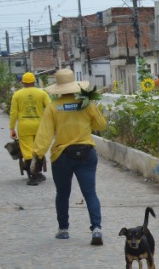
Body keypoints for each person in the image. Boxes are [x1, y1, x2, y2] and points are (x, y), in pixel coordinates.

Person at [32, 68, 107, 244]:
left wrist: (38, 155)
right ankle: (96, 229)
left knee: (63, 194)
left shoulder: (53, 107)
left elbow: (45, 134)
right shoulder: (86, 104)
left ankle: (63, 229)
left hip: (62, 156)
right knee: (90, 193)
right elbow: (101, 125)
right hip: (87, 154)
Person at [9, 72, 51, 184]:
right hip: (40, 126)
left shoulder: (17, 95)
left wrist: (12, 128)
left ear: (22, 82)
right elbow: (50, 108)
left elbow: (13, 113)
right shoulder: (42, 93)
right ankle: (39, 173)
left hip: (24, 126)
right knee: (39, 150)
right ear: (34, 81)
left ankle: (32, 177)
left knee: (27, 151)